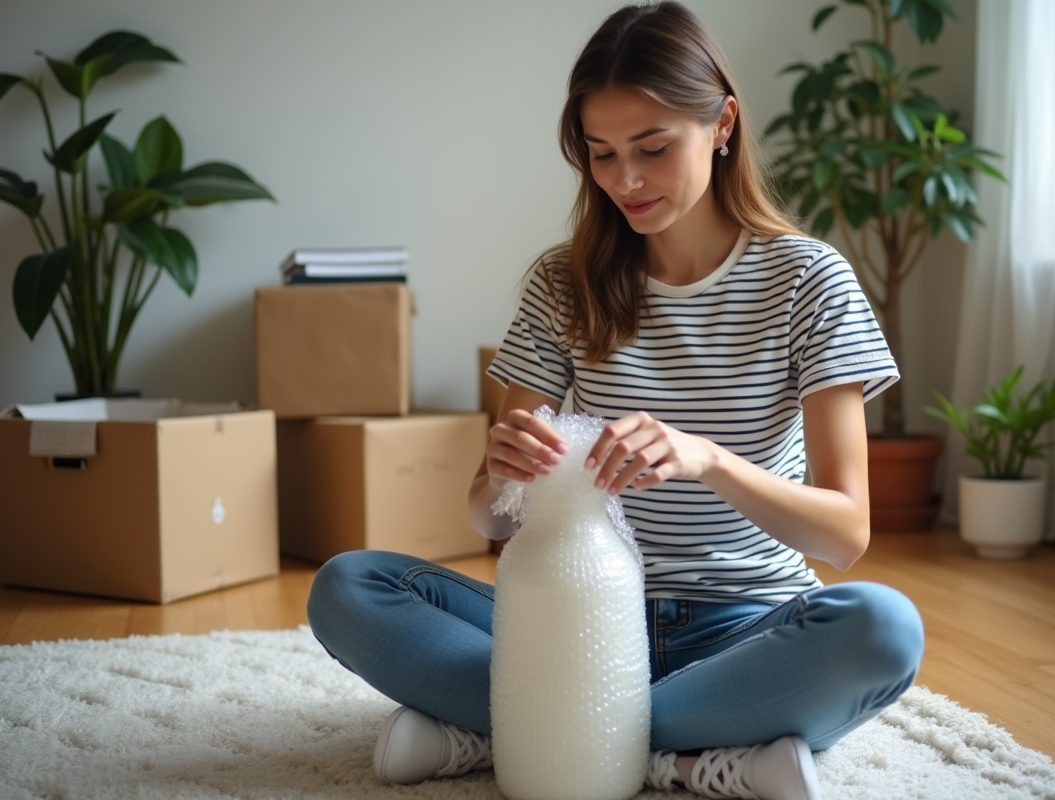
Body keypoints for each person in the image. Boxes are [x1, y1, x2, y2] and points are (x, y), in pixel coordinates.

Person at [307, 3, 924, 799]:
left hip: (745, 627)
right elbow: (490, 519)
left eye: (653, 148)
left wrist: (707, 459)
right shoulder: (563, 283)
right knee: (350, 587)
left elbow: (846, 535)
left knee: (882, 628)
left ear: (723, 123)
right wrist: (502, 477)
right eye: (601, 155)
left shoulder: (810, 282)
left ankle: (524, 732)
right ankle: (683, 754)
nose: (624, 181)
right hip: (573, 617)